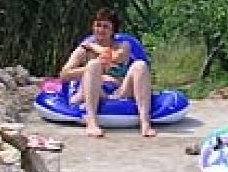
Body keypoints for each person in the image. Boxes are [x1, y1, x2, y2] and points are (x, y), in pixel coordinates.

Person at [58, 7, 156, 138]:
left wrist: (94, 47)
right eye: (98, 25)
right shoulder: (83, 50)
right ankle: (91, 122)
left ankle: (145, 123)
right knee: (93, 65)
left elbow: (114, 57)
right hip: (95, 91)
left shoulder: (123, 46)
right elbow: (64, 75)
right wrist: (92, 71)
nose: (100, 30)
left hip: (119, 91)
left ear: (113, 30)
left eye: (105, 26)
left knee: (140, 65)